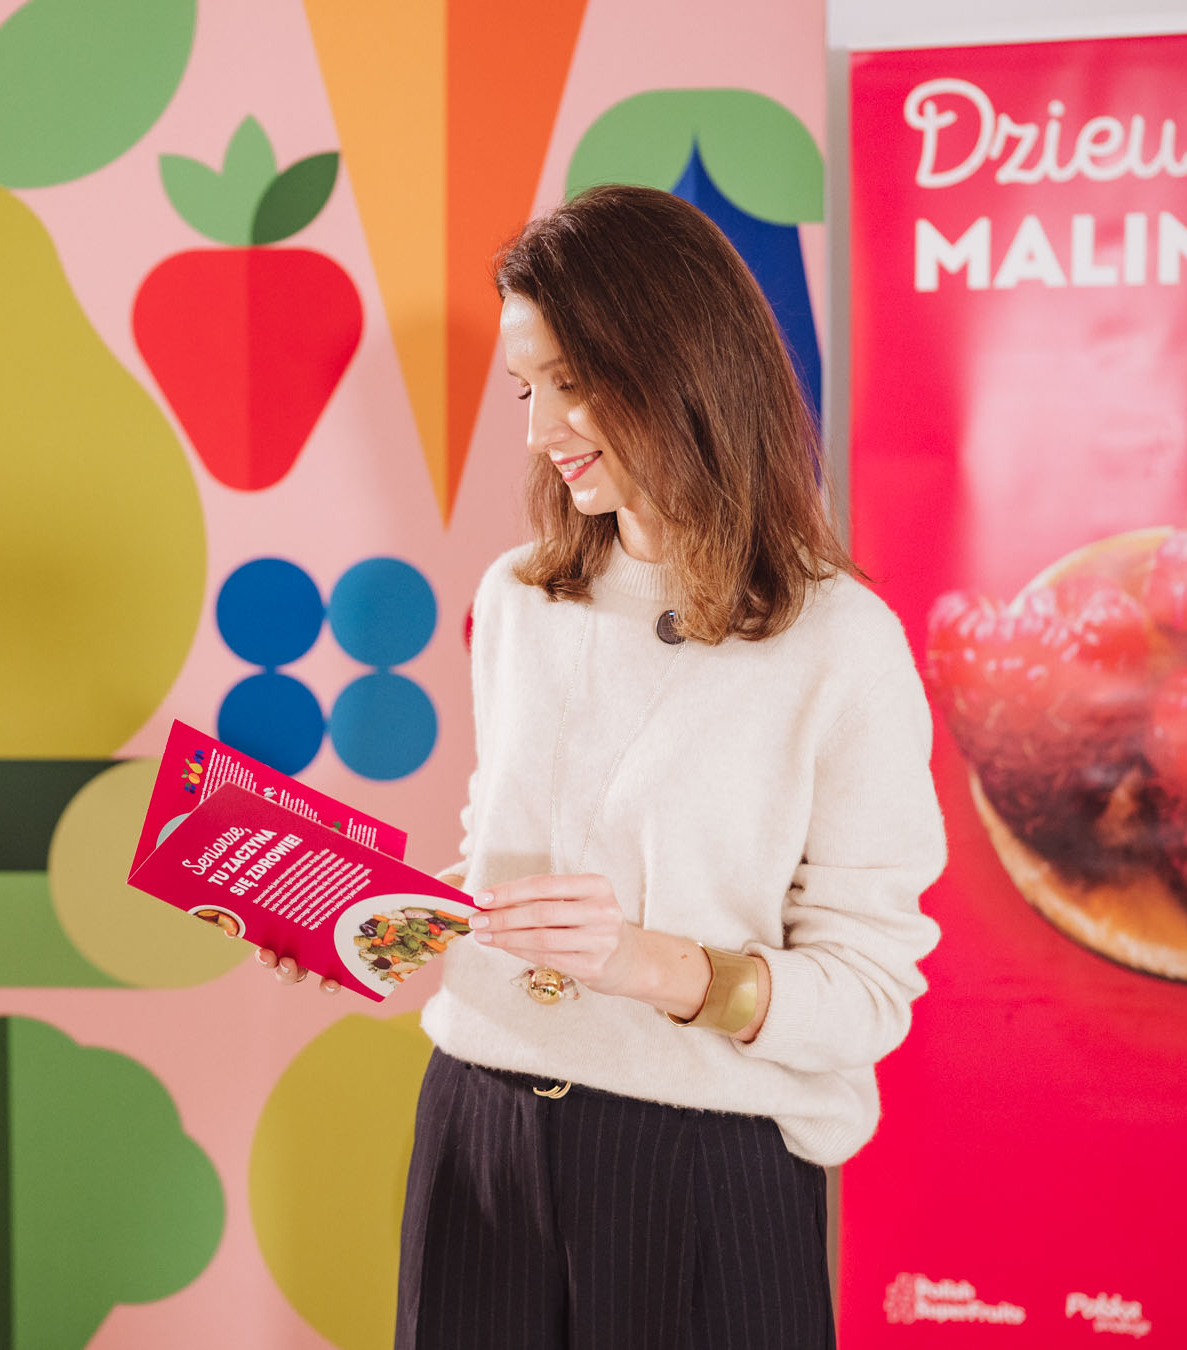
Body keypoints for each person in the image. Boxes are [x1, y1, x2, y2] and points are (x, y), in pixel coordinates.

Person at [260, 183, 946, 1349]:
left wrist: (645, 964)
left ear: (682, 367)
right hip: (478, 1124)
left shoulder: (840, 644)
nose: (538, 431)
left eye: (570, 382)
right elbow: (501, 871)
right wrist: (370, 923)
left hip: (705, 1163)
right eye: (525, 389)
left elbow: (869, 995)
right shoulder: (517, 598)